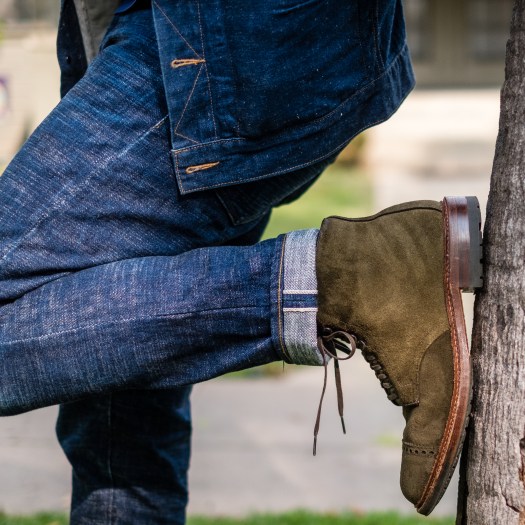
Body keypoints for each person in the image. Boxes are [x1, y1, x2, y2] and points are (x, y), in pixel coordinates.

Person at [0, 0, 483, 523]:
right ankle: (344, 276)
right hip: (167, 39)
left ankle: (354, 275)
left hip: (218, 42)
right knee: (119, 419)